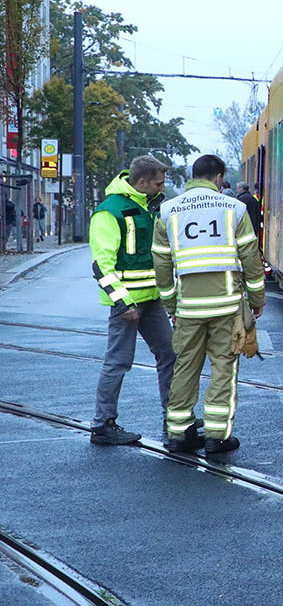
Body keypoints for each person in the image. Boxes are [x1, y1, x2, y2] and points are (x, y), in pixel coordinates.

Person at [153, 154, 264, 455]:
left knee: (185, 367)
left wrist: (171, 304)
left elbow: (161, 265)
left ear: (193, 176)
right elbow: (251, 259)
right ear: (218, 178)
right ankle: (217, 436)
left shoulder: (168, 212)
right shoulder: (235, 209)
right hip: (226, 307)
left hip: (188, 308)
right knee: (223, 368)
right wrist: (256, 300)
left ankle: (179, 433)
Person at [89, 157, 178, 446]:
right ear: (142, 183)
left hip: (151, 300)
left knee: (170, 353)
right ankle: (103, 425)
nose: (162, 187)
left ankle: (174, 416)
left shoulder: (148, 206)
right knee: (118, 361)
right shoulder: (109, 212)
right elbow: (101, 266)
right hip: (127, 304)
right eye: (158, 183)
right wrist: (124, 302)